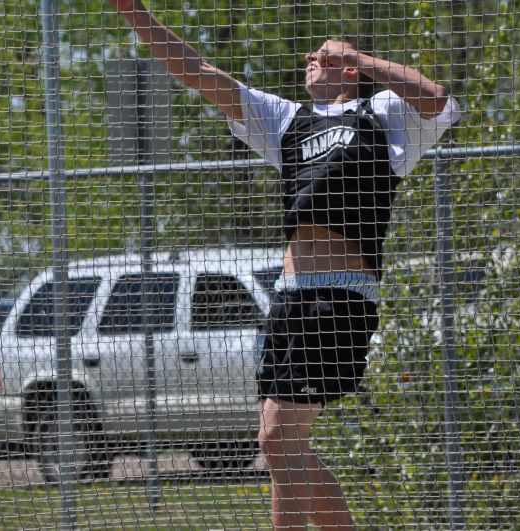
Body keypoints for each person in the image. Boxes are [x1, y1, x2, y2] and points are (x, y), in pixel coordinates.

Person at [109, 2, 461, 529]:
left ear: (348, 71)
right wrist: (134, 11)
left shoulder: (384, 115)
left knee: (276, 437)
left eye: (320, 55)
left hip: (339, 296)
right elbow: (198, 71)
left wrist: (359, 58)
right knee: (281, 445)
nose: (308, 59)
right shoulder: (286, 120)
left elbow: (438, 99)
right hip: (290, 296)